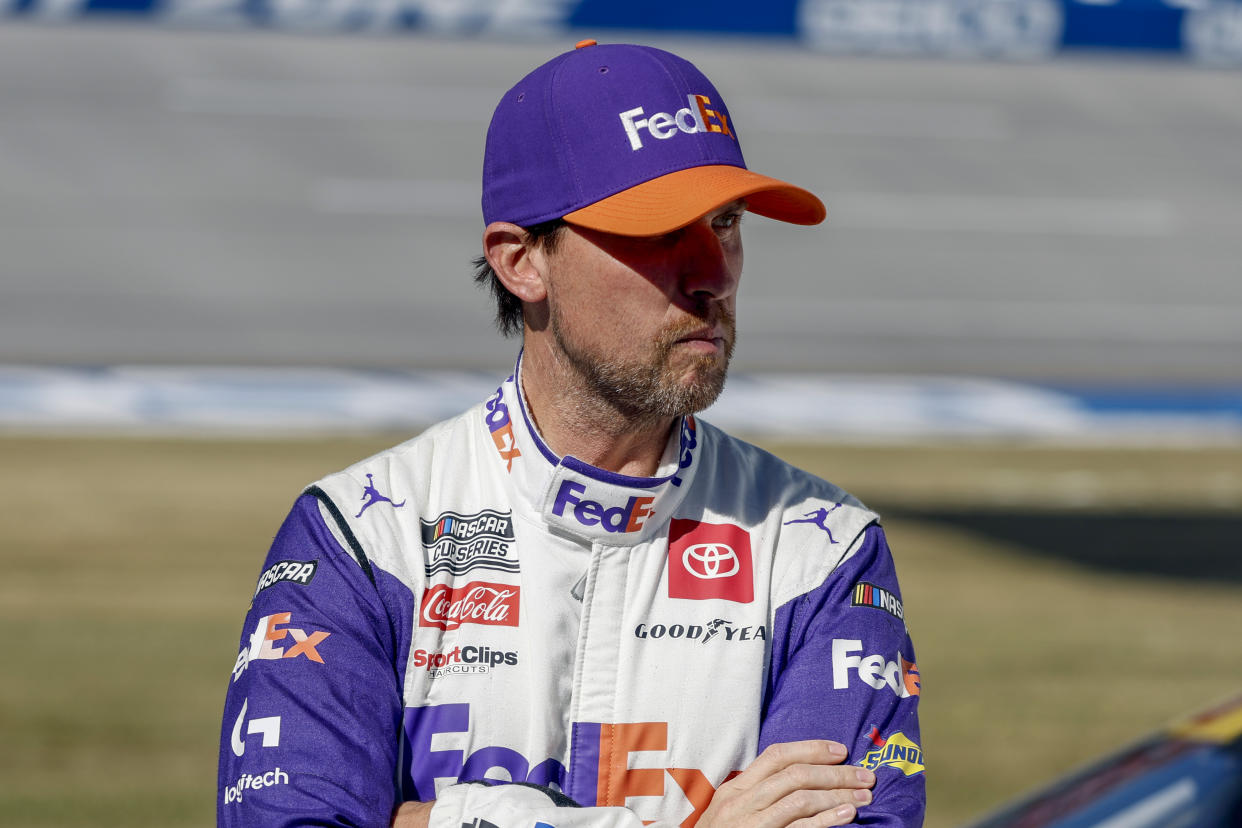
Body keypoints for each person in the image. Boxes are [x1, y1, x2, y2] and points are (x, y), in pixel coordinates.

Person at [218, 40, 924, 828]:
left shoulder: (821, 549)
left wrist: (431, 819)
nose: (711, 274)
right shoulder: (361, 534)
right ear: (523, 263)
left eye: (723, 223)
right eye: (658, 232)